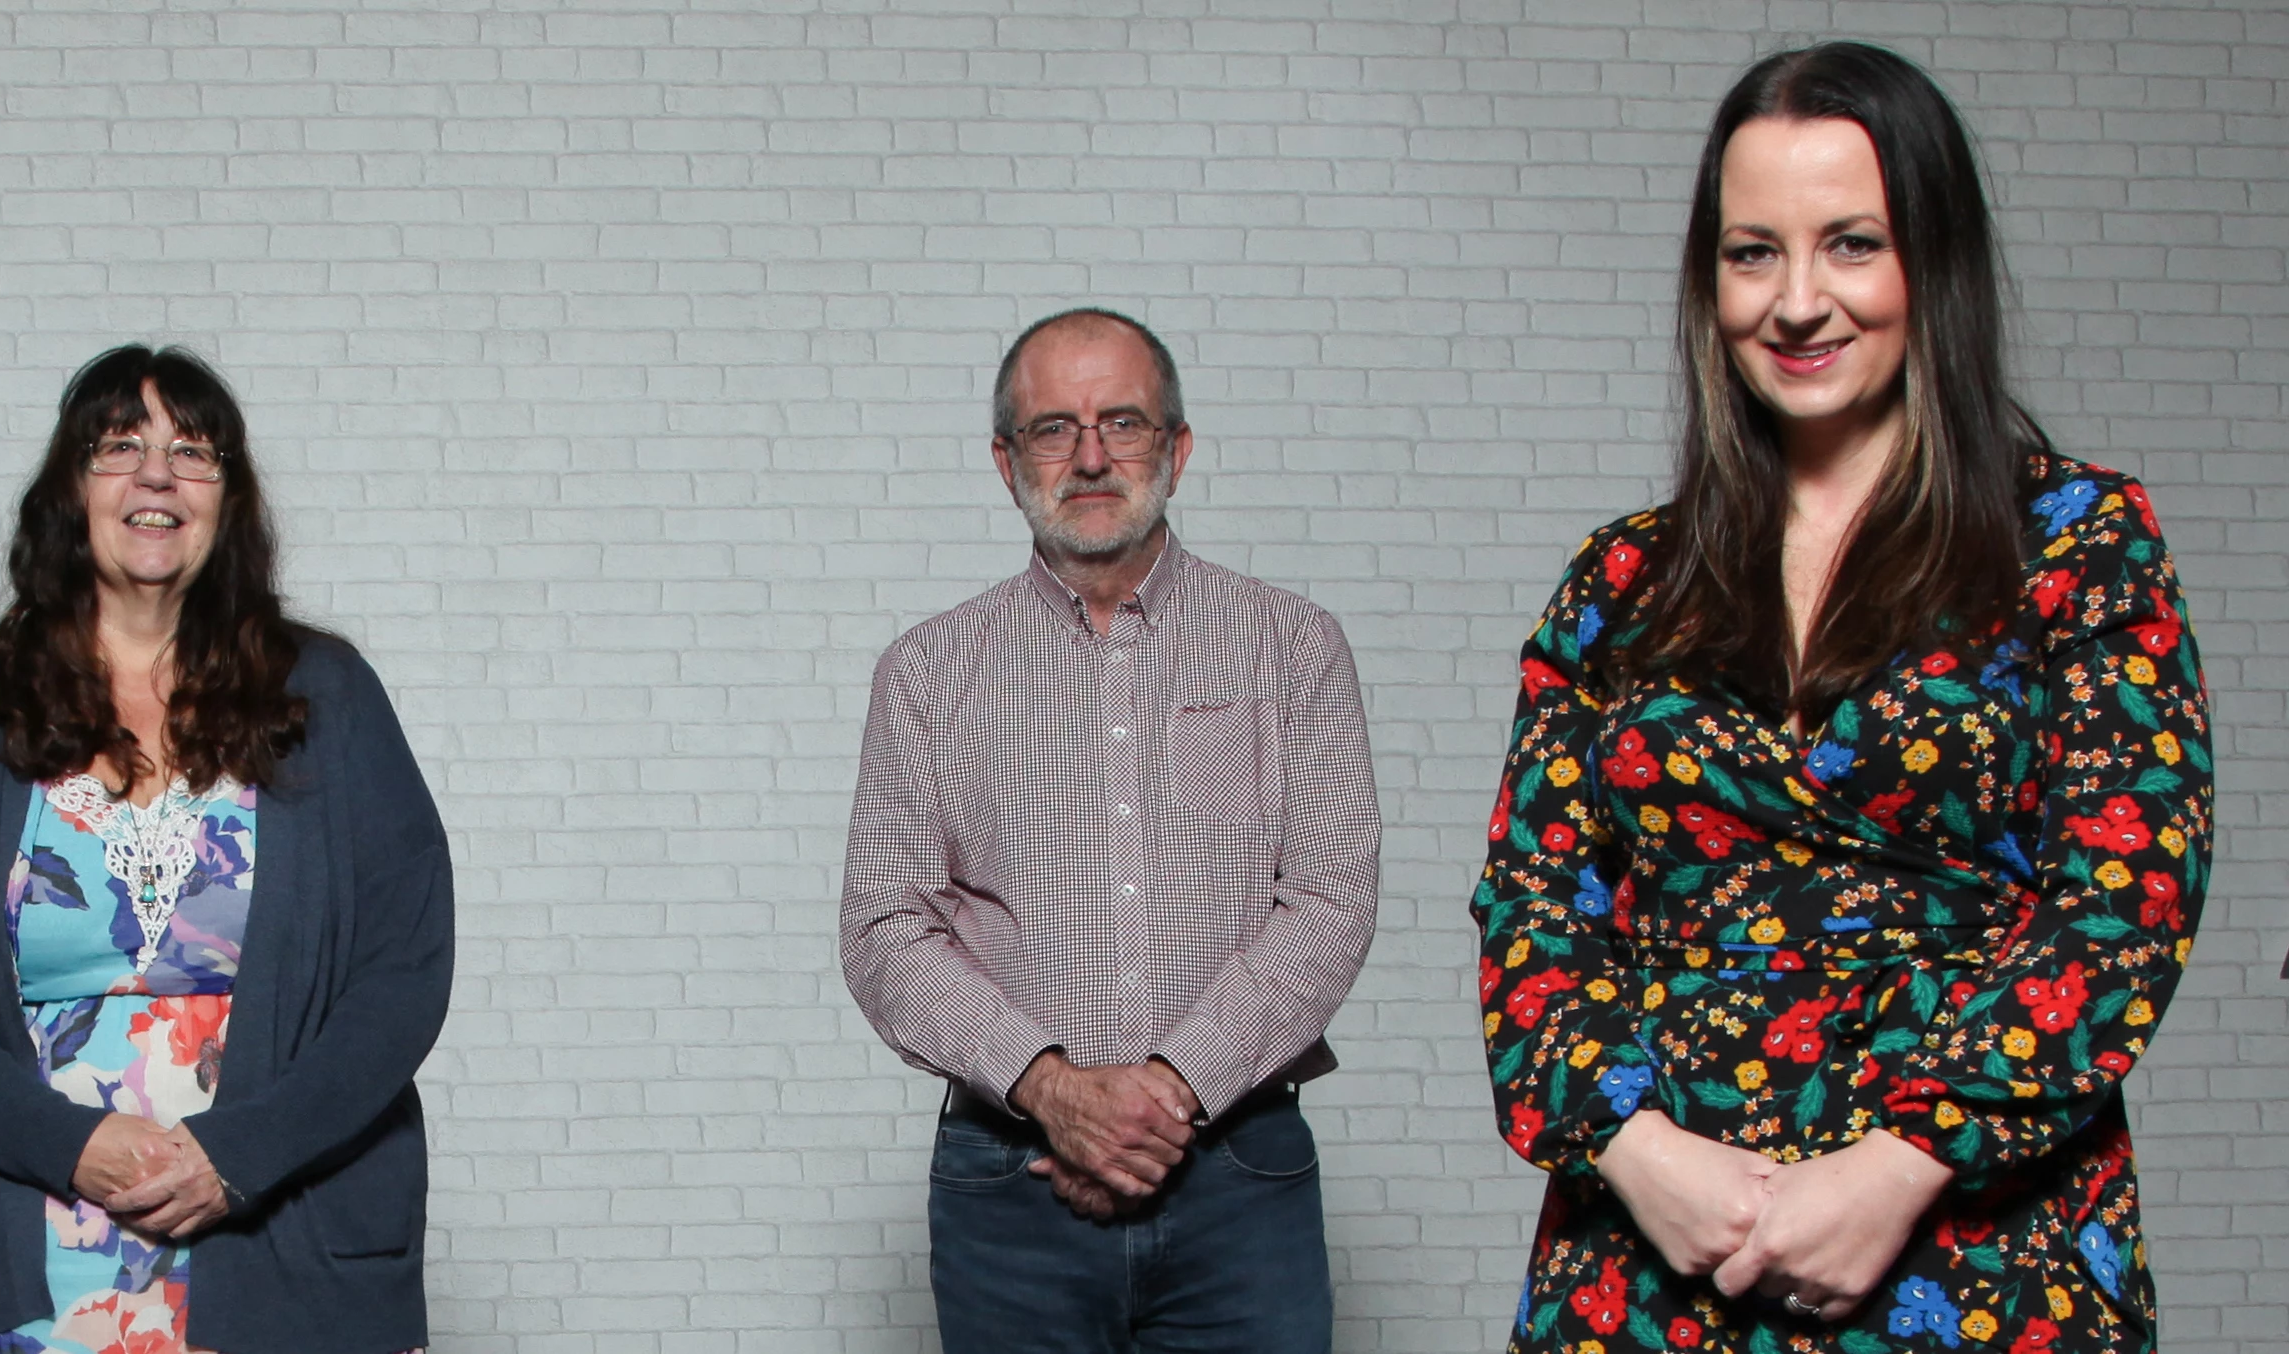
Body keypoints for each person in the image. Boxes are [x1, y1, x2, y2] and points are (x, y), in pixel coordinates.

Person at [1474, 43, 2211, 1353]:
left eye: (1851, 244)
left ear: (1935, 259)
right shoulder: (1621, 579)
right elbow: (1534, 898)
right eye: (1753, 252)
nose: (1798, 301)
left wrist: (1899, 1165)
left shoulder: (2075, 539)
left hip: (1981, 1250)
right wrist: (1640, 1151)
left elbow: (2129, 886)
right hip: (1649, 1261)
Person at [0, 345, 453, 1354]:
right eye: (120, 446)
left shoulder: (331, 700)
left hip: (281, 1240)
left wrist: (237, 1155)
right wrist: (71, 1144)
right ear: (70, 490)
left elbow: (404, 975)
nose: (156, 474)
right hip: (15, 1240)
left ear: (230, 499)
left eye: (193, 451)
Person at [839, 307, 1382, 1353]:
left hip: (1243, 1185)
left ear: (1176, 447)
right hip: (1008, 1187)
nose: (1090, 455)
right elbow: (885, 926)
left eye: (1122, 422)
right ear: (1007, 461)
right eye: (1053, 429)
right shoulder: (927, 673)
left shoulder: (1293, 646)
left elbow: (1327, 902)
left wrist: (1167, 1095)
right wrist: (1053, 1090)